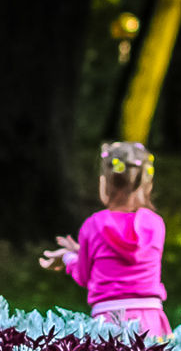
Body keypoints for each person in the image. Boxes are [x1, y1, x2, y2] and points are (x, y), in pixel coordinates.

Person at [40, 140, 169, 340]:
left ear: (104, 183)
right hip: (150, 319)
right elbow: (131, 253)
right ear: (147, 184)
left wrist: (68, 257)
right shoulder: (156, 225)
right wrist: (82, 249)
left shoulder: (93, 225)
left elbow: (84, 276)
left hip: (108, 320)